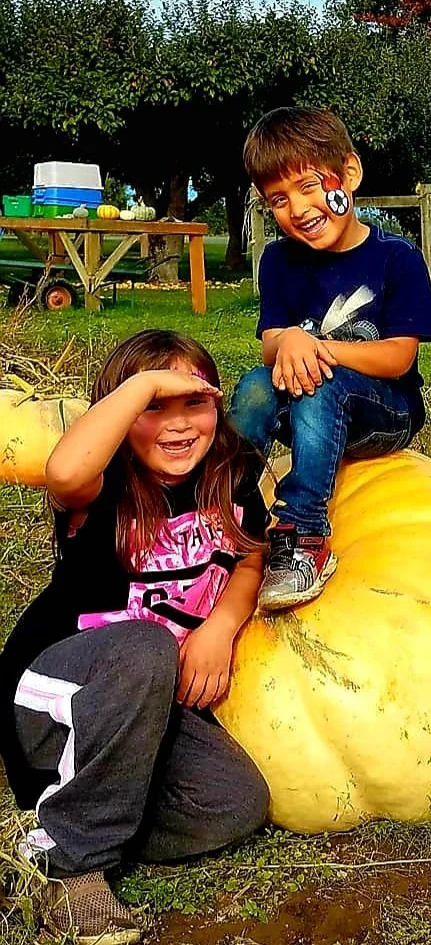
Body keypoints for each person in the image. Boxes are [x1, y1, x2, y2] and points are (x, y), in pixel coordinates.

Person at [0, 330, 270, 945]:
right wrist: (143, 383)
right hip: (52, 695)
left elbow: (250, 558)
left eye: (193, 402)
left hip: (138, 710)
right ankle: (66, 863)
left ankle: (81, 813)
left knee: (235, 803)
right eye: (153, 406)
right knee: (147, 644)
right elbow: (63, 470)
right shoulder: (103, 485)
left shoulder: (229, 475)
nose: (177, 424)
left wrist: (221, 625)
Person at [229, 106, 431, 610]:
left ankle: (304, 534)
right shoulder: (278, 260)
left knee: (321, 380)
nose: (298, 208)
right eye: (278, 199)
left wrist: (317, 348)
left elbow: (398, 358)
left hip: (385, 412)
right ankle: (224, 506)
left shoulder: (396, 258)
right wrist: (289, 340)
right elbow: (271, 344)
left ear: (348, 173)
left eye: (309, 186)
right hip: (312, 404)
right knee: (255, 386)